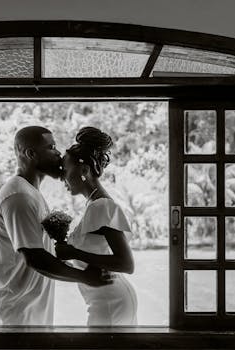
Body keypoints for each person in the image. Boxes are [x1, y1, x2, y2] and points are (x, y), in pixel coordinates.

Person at [0, 126, 112, 326]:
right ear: (31, 154)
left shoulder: (31, 193)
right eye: (51, 147)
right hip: (13, 316)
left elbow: (43, 252)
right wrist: (84, 276)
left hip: (26, 312)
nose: (58, 153)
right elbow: (36, 258)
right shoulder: (19, 197)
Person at [55, 126, 138, 326]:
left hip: (110, 303)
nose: (62, 178)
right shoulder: (94, 205)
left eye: (65, 171)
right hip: (104, 299)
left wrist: (75, 253)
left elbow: (126, 264)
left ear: (84, 171)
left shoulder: (101, 206)